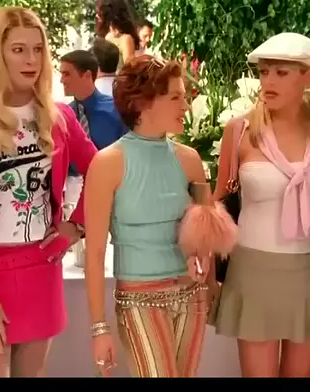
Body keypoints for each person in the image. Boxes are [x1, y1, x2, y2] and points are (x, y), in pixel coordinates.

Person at [0, 6, 97, 378]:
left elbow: (103, 171)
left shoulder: (58, 116)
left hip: (41, 268)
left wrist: (76, 226)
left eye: (38, 49)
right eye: (19, 49)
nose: (31, 60)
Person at [83, 55, 235, 377]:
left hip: (192, 297)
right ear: (144, 102)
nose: (186, 106)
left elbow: (206, 234)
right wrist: (99, 328)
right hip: (139, 299)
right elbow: (94, 254)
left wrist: (208, 280)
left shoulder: (190, 159)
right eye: (176, 97)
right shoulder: (108, 163)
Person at [210, 33, 310, 377]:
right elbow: (218, 201)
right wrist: (206, 267)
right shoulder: (239, 130)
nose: (268, 81)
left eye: (281, 73)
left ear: (307, 77)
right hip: (254, 271)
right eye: (264, 72)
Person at [60, 49, 127, 151]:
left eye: (67, 74)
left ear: (87, 75)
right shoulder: (64, 116)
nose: (62, 80)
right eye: (62, 74)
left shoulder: (116, 110)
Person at [95, 0, 141, 70]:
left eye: (99, 12)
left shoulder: (125, 39)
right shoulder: (102, 36)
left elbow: (129, 70)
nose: (96, 15)